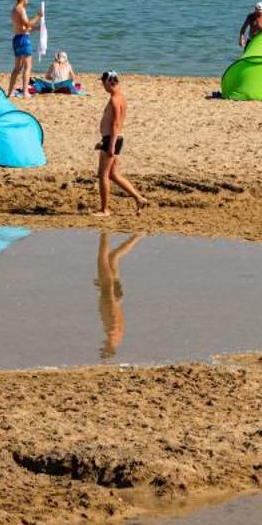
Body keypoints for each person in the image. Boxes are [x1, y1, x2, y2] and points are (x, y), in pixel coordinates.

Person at [96, 71, 147, 216]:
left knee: (103, 175)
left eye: (103, 82)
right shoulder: (119, 97)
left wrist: (110, 144)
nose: (102, 86)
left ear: (108, 82)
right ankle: (139, 198)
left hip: (112, 139)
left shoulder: (115, 99)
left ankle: (105, 210)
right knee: (114, 175)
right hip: (112, 138)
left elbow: (116, 122)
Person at [94, 230, 143, 361]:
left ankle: (138, 235)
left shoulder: (117, 339)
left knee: (113, 257)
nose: (102, 346)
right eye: (104, 348)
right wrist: (108, 291)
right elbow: (113, 316)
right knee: (102, 258)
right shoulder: (112, 336)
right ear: (109, 349)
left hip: (114, 296)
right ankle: (104, 232)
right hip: (109, 295)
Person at [8, 0, 40, 96]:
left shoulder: (14, 10)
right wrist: (38, 17)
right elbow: (27, 25)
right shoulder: (21, 9)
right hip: (23, 39)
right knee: (28, 66)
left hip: (17, 38)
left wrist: (37, 28)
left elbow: (22, 27)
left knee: (17, 67)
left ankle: (10, 92)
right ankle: (25, 92)